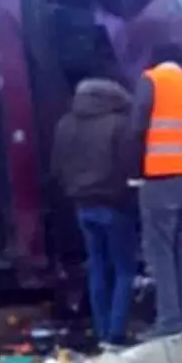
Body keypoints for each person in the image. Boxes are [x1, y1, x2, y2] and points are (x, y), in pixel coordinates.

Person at [129, 41, 182, 338]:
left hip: (160, 177)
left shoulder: (152, 80)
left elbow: (138, 129)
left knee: (160, 250)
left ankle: (168, 320)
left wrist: (135, 174)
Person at [50, 76, 138, 348]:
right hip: (114, 205)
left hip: (81, 205)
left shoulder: (65, 123)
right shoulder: (119, 124)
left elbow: (56, 166)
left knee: (97, 266)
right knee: (124, 269)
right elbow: (128, 165)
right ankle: (116, 333)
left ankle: (101, 331)